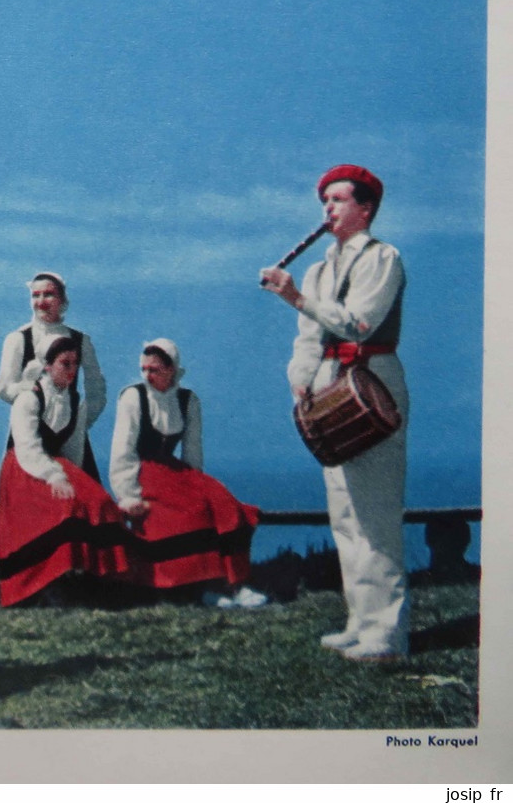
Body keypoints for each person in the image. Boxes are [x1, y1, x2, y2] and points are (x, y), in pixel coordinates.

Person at [261, 164, 409, 662]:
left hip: (373, 379)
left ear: (365, 208)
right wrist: (300, 382)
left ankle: (387, 634)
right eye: (325, 201)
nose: (328, 208)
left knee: (376, 513)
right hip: (330, 383)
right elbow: (309, 338)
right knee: (345, 514)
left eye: (339, 200)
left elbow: (360, 325)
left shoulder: (382, 257)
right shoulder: (319, 268)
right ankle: (360, 621)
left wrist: (297, 298)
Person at [109, 339, 263, 602]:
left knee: (226, 506)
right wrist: (128, 494)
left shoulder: (188, 400)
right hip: (144, 472)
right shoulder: (133, 397)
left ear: (171, 369)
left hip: (176, 472)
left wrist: (197, 486)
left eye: (154, 370)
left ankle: (235, 584)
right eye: (144, 369)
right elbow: (122, 449)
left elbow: (193, 451)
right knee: (185, 517)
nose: (147, 375)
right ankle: (201, 590)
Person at [0, 337, 129, 607]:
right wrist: (54, 476)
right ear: (47, 365)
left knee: (99, 503)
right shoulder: (28, 399)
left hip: (57, 466)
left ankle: (92, 579)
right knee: (62, 510)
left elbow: (73, 450)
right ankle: (45, 583)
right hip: (23, 468)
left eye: (75, 364)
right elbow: (27, 446)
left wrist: (77, 483)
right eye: (64, 364)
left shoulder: (76, 402)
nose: (71, 370)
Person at [0, 272, 107, 478]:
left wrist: (78, 422)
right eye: (35, 295)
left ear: (62, 299)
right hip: (27, 436)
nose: (41, 301)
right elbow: (4, 389)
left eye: (48, 295)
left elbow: (96, 390)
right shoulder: (18, 339)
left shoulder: (81, 340)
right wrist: (25, 390)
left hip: (69, 440)